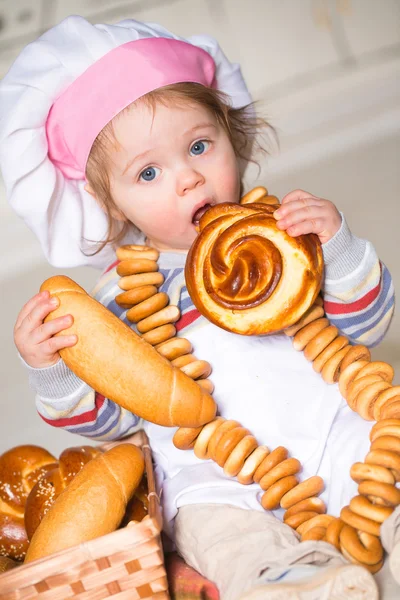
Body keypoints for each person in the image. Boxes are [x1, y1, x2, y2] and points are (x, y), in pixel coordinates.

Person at [0, 15, 397, 600]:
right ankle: (296, 582)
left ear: (231, 139)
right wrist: (52, 367)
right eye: (150, 172)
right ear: (112, 206)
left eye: (199, 145)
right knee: (216, 531)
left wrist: (335, 246)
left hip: (335, 425)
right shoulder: (120, 304)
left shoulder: (285, 236)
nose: (187, 178)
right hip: (218, 476)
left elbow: (369, 322)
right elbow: (111, 421)